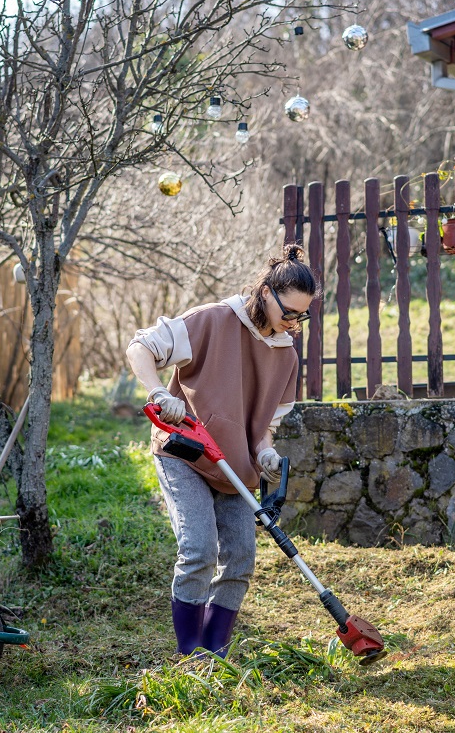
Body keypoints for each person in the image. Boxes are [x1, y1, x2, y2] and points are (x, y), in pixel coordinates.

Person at [125, 243, 318, 657]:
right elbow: (140, 348)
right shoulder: (211, 321)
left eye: (302, 315)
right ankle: (188, 655)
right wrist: (160, 391)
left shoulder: (286, 357)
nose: (294, 322)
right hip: (186, 454)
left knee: (241, 561)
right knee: (198, 549)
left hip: (236, 468)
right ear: (266, 292)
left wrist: (265, 453)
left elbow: (263, 427)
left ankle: (213, 655)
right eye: (288, 312)